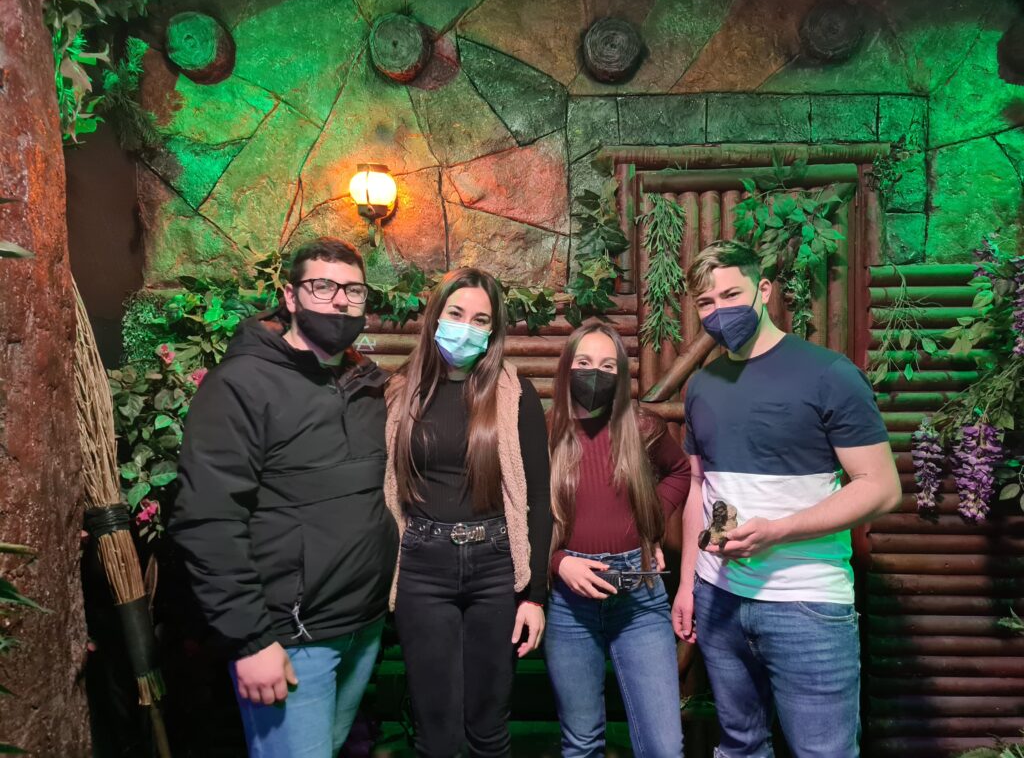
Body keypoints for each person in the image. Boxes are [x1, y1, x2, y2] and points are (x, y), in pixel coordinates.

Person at [671, 241, 902, 758]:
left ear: (764, 290)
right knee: (739, 746)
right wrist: (688, 584)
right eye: (706, 302)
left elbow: (881, 486)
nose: (719, 310)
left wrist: (777, 531)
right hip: (718, 597)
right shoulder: (701, 385)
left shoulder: (829, 374)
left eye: (731, 294)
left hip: (806, 602)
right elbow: (698, 488)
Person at [168, 237, 397, 758]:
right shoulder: (240, 384)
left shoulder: (363, 384)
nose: (340, 301)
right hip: (290, 638)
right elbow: (208, 519)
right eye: (323, 286)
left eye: (353, 290)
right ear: (291, 297)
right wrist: (249, 640)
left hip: (361, 624)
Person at [383, 267, 552, 758]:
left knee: (488, 728)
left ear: (493, 331)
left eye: (481, 320)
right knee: (435, 734)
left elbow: (538, 499)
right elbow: (385, 488)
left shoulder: (514, 394)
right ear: (436, 316)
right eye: (456, 314)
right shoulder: (400, 392)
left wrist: (534, 596)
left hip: (496, 567)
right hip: (422, 566)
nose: (466, 328)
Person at [544, 320, 690, 758]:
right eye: (585, 363)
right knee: (582, 742)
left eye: (608, 366)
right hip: (570, 603)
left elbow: (680, 472)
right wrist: (558, 562)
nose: (596, 374)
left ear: (621, 375)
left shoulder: (642, 427)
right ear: (567, 368)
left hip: (639, 597)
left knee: (664, 747)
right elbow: (524, 512)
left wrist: (649, 525)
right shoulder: (545, 431)